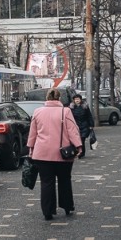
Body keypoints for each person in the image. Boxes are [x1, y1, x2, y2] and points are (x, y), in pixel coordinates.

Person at [26, 87, 83, 221]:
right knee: (65, 180)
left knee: (46, 182)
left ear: (47, 98)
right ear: (59, 98)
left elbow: (33, 133)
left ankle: (47, 211)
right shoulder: (66, 111)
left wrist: (31, 148)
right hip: (63, 153)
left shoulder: (38, 112)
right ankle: (67, 205)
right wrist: (79, 147)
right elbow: (72, 131)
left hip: (42, 154)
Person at [69, 94, 94, 158]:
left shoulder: (85, 107)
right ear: (74, 100)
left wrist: (91, 125)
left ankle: (82, 153)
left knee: (82, 139)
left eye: (78, 99)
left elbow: (89, 116)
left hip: (84, 125)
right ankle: (77, 152)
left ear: (80, 99)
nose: (77, 100)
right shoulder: (71, 107)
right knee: (76, 140)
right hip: (75, 126)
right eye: (76, 99)